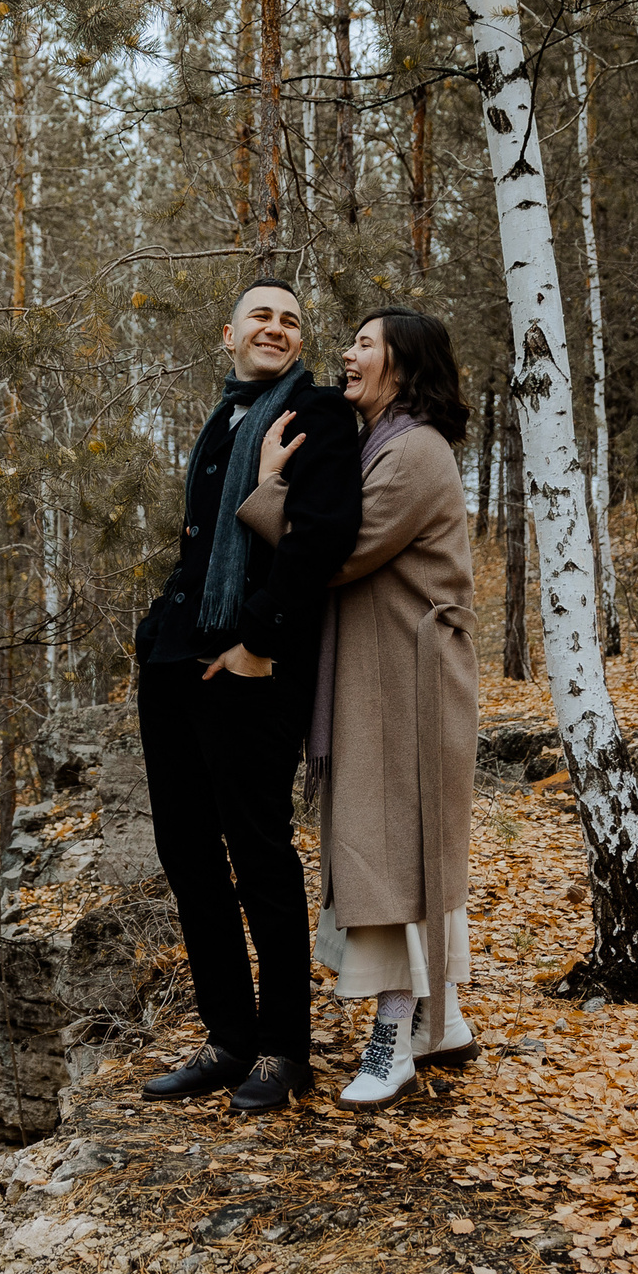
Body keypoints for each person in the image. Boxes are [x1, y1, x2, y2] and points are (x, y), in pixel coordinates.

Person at [235, 307, 478, 1109]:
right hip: (385, 677)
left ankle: (391, 1041)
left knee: (384, 854)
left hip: (404, 686)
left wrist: (269, 486)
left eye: (365, 344)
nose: (347, 354)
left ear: (402, 367)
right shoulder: (389, 441)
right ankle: (439, 1024)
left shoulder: (412, 450)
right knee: (405, 850)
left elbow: (337, 553)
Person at [133, 279, 363, 1113]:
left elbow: (324, 543)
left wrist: (257, 640)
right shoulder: (225, 415)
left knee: (259, 855)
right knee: (188, 855)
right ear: (227, 333)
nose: (278, 328)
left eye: (291, 321)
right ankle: (228, 1039)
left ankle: (283, 1050)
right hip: (174, 663)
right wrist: (162, 622)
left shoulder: (321, 416)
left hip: (250, 670)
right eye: (262, 316)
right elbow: (202, 542)